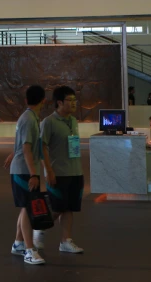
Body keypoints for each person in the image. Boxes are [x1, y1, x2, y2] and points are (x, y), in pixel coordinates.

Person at [39, 86, 85, 254]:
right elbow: (42, 147)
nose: (74, 104)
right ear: (59, 102)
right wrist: (48, 170)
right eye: (70, 101)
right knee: (57, 207)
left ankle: (66, 241)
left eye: (75, 100)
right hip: (58, 172)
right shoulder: (49, 122)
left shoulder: (73, 120)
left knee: (69, 208)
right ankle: (39, 228)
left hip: (75, 171)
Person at [4, 84, 47, 265]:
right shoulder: (29, 119)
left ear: (26, 100)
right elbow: (27, 148)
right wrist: (33, 174)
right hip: (23, 171)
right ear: (43, 101)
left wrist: (13, 154)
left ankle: (19, 243)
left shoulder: (30, 118)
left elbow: (22, 145)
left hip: (22, 168)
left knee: (25, 207)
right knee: (28, 208)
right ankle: (29, 251)